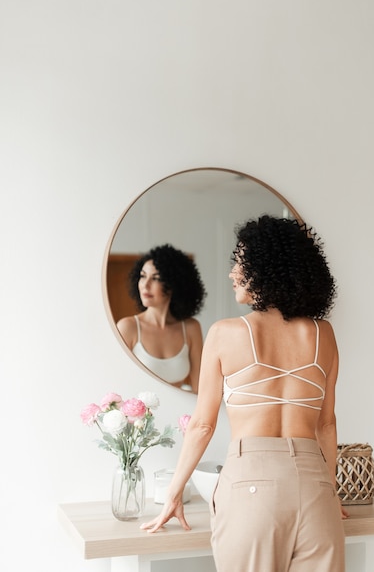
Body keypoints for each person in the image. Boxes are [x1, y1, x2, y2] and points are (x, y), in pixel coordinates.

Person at [140, 216, 347, 572]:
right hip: (315, 485)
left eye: (240, 262)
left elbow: (203, 425)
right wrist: (329, 491)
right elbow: (326, 426)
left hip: (252, 485)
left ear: (265, 269)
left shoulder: (225, 333)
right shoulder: (322, 334)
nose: (233, 272)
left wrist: (174, 492)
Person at [116, 244, 206, 393]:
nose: (145, 285)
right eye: (143, 276)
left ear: (173, 284)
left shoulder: (191, 328)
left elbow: (200, 390)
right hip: (142, 415)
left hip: (181, 412)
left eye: (156, 278)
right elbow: (118, 385)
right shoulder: (128, 327)